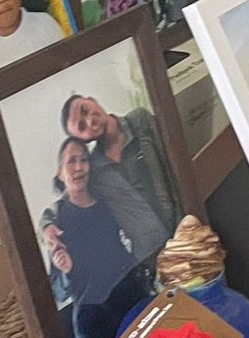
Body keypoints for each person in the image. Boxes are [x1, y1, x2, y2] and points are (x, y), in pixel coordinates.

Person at [41, 137, 150, 338]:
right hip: (91, 315)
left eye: (84, 160)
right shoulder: (56, 221)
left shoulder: (109, 202)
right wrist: (65, 269)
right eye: (72, 161)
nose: (79, 167)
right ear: (60, 173)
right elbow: (58, 292)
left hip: (129, 296)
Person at [55, 93, 177, 265]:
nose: (90, 121)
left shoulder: (139, 121)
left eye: (85, 110)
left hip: (188, 229)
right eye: (82, 127)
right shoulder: (95, 171)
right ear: (84, 139)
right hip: (154, 259)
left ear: (92, 100)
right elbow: (70, 199)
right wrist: (46, 225)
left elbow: (176, 161)